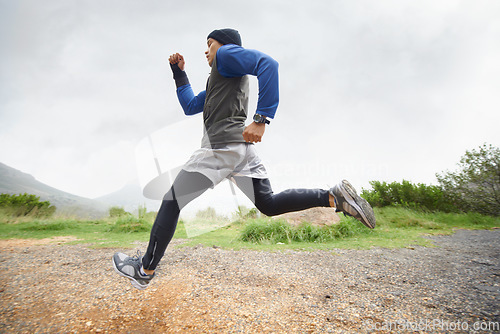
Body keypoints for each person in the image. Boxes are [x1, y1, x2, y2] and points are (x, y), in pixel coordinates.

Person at [113, 28, 376, 290]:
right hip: (241, 150)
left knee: (172, 200)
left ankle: (145, 269)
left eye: (210, 44)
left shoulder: (226, 56)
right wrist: (179, 73)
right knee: (268, 204)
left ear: (227, 46)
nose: (207, 50)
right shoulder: (220, 80)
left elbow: (268, 64)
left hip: (221, 148)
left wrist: (262, 118)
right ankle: (332, 196)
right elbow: (190, 105)